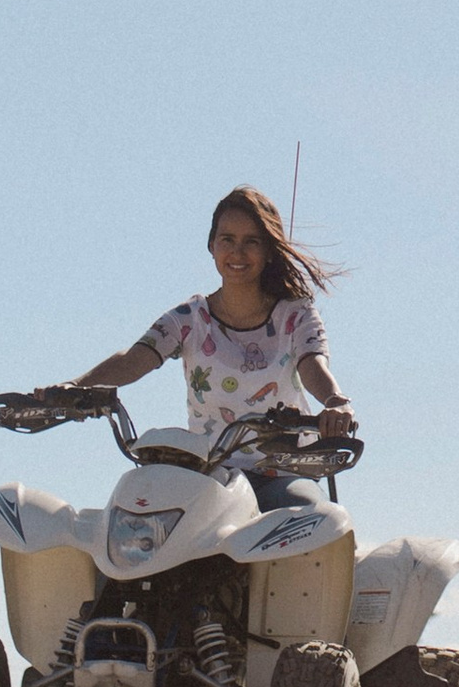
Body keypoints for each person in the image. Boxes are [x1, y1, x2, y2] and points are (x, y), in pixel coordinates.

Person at [68, 186, 356, 511]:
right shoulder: (189, 319)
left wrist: (336, 403)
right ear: (211, 246)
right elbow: (134, 359)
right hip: (208, 475)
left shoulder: (296, 314)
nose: (237, 252)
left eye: (252, 241)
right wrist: (74, 388)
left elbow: (313, 365)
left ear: (269, 251)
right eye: (227, 240)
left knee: (307, 514)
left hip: (282, 470)